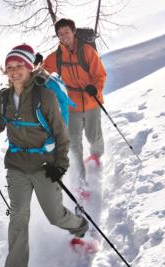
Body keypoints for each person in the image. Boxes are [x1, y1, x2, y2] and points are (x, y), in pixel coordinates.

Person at [0, 44, 88, 267]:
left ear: (29, 68)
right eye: (9, 67)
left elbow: (61, 135)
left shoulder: (44, 96)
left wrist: (59, 165)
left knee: (55, 216)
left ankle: (80, 225)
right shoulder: (3, 98)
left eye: (19, 66)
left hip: (44, 165)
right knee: (19, 217)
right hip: (16, 165)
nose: (14, 71)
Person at [44, 18, 107, 186]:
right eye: (60, 33)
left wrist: (95, 88)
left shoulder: (87, 51)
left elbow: (100, 74)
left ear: (73, 32)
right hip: (71, 105)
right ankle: (81, 179)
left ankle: (96, 155)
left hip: (91, 101)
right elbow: (42, 73)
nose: (64, 36)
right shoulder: (55, 57)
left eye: (66, 32)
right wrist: (34, 63)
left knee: (93, 135)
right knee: (73, 141)